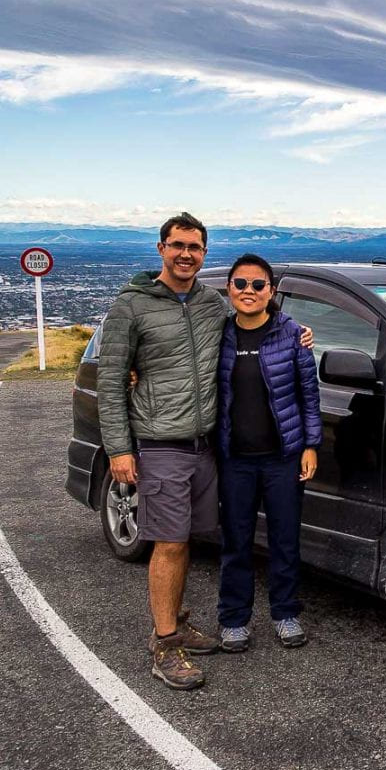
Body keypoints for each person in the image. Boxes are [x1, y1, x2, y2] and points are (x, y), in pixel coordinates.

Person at [96, 214, 313, 690]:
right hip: (160, 442)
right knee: (170, 543)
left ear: (204, 253)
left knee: (190, 539)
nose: (186, 254)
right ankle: (165, 643)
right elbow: (110, 382)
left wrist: (298, 333)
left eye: (195, 247)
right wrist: (119, 449)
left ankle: (179, 621)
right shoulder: (130, 308)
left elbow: (258, 322)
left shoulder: (211, 305)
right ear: (160, 248)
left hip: (208, 447)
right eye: (177, 246)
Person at [214, 253, 322, 653]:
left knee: (284, 540)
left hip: (283, 457)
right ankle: (234, 619)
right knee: (236, 541)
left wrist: (310, 445)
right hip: (234, 459)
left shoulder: (292, 336)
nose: (249, 292)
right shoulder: (219, 336)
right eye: (241, 284)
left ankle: (286, 613)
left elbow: (309, 396)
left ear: (270, 291)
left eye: (258, 285)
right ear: (230, 288)